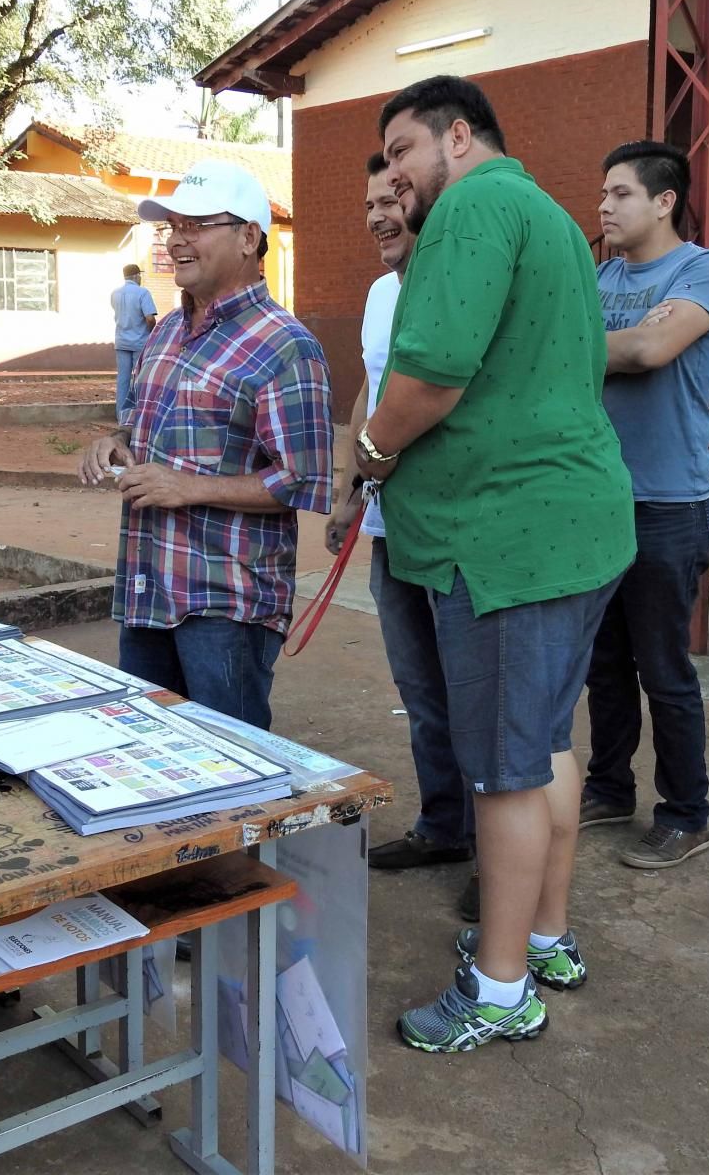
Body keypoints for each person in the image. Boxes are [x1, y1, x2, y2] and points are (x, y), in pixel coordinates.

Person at [360, 76, 633, 1053]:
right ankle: (543, 936)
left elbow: (429, 375)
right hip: (568, 526)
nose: (393, 175)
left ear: (458, 137)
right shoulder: (550, 216)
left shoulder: (474, 207)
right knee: (545, 744)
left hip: (505, 538)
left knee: (506, 772)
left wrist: (371, 456)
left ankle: (500, 988)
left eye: (401, 150)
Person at [77, 160, 333, 730]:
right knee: (151, 752)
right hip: (148, 585)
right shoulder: (164, 332)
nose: (176, 240)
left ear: (248, 237)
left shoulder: (286, 347)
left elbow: (301, 479)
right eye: (172, 226)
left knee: (233, 765)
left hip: (226, 601)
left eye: (196, 225)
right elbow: (148, 427)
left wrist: (186, 488)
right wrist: (116, 443)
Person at [325, 153, 477, 915]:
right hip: (392, 528)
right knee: (422, 693)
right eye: (369, 204)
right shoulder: (382, 292)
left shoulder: (459, 286)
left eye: (393, 198)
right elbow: (370, 388)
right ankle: (444, 824)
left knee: (477, 696)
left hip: (457, 531)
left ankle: (498, 847)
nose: (380, 215)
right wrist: (350, 487)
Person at [580, 140, 709, 869]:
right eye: (603, 194)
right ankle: (608, 787)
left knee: (662, 667)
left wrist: (579, 342)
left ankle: (686, 813)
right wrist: (611, 340)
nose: (605, 206)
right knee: (601, 664)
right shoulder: (596, 275)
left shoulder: (703, 268)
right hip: (596, 498)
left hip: (668, 502)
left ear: (664, 200)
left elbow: (649, 351)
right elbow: (618, 347)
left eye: (621, 193)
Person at [111, 263, 159, 422]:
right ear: (137, 276)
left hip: (121, 341)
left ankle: (121, 417)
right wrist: (152, 333)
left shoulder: (115, 293)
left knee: (123, 379)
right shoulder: (143, 293)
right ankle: (139, 417)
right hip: (140, 342)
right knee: (140, 379)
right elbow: (150, 318)